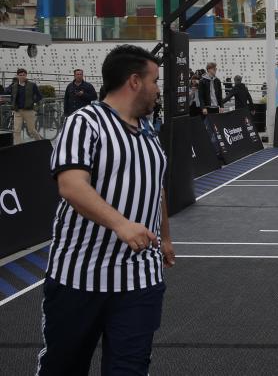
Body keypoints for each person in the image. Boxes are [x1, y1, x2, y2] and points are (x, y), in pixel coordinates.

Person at [37, 45, 175, 375]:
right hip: (79, 277)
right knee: (63, 367)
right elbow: (71, 185)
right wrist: (120, 224)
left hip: (139, 278)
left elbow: (156, 187)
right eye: (155, 80)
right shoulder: (85, 122)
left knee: (129, 369)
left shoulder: (148, 132)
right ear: (134, 82)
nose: (159, 89)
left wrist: (165, 238)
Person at [4, 68, 43, 145]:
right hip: (17, 111)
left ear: (26, 75)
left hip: (29, 111)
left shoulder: (32, 85)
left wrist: (33, 101)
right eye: (20, 75)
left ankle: (40, 142)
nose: (22, 77)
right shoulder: (14, 85)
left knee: (31, 130)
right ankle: (19, 147)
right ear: (17, 76)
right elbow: (5, 91)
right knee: (17, 130)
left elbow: (40, 96)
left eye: (23, 75)